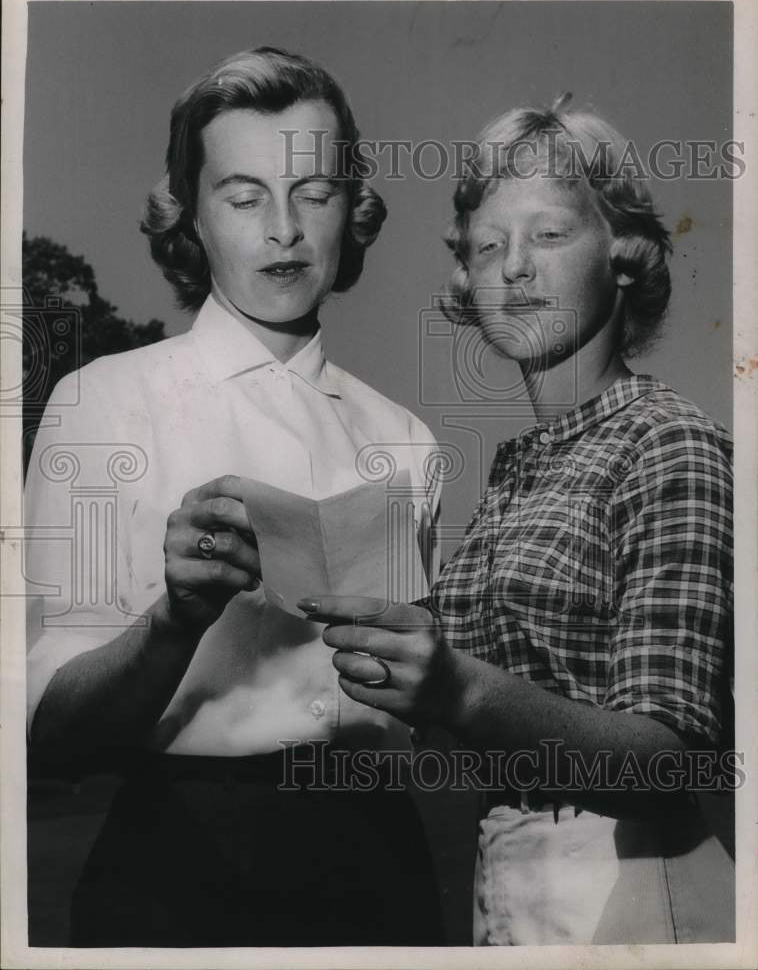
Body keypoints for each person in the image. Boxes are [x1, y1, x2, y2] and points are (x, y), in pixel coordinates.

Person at [25, 47, 442, 947]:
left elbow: (422, 715)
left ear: (352, 211)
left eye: (314, 193)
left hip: (381, 862)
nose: (283, 229)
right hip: (179, 869)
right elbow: (47, 739)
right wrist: (175, 620)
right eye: (244, 195)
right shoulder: (103, 401)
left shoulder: (408, 439)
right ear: (191, 221)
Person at [302, 96, 735, 945]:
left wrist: (457, 686)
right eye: (489, 245)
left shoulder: (669, 443)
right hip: (506, 884)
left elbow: (672, 756)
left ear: (623, 254)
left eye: (548, 235)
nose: (514, 269)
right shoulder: (519, 469)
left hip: (638, 885)